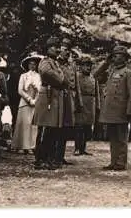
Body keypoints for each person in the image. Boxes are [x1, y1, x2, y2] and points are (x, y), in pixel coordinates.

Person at [95, 45, 131, 170]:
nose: (115, 57)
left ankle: (120, 163)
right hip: (110, 111)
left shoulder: (129, 73)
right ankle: (113, 162)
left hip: (121, 111)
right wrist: (106, 62)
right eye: (114, 55)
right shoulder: (111, 71)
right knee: (113, 138)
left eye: (118, 54)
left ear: (125, 58)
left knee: (121, 138)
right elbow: (95, 75)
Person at [32, 37, 67, 170]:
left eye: (58, 46)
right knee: (45, 128)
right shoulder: (45, 61)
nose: (57, 49)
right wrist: (60, 76)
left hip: (54, 96)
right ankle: (40, 159)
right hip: (47, 96)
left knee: (52, 130)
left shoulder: (55, 63)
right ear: (47, 49)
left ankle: (48, 158)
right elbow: (49, 74)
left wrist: (59, 76)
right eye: (53, 46)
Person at [55, 38, 82, 166]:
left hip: (69, 97)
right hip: (58, 96)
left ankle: (60, 156)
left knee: (66, 127)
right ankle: (53, 155)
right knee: (56, 126)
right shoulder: (55, 63)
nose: (66, 52)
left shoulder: (72, 65)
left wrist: (79, 101)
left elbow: (76, 84)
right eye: (64, 49)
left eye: (68, 49)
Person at [11, 53, 42, 154]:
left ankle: (32, 146)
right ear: (27, 65)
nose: (32, 66)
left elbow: (40, 90)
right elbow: (20, 90)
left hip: (35, 102)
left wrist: (35, 100)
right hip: (25, 102)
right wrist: (29, 99)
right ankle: (22, 146)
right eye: (30, 64)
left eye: (34, 64)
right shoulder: (23, 76)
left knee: (33, 125)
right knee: (24, 124)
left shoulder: (39, 77)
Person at [74, 56, 98, 155]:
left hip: (91, 103)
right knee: (79, 126)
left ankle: (83, 148)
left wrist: (98, 105)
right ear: (81, 66)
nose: (88, 68)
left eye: (89, 66)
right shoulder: (77, 76)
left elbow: (96, 92)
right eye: (86, 65)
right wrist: (78, 103)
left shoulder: (93, 77)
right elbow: (77, 90)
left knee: (87, 127)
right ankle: (77, 148)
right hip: (81, 102)